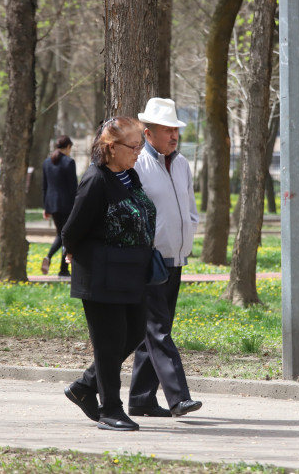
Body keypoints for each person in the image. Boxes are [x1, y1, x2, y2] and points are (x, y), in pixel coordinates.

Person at [61, 116, 155, 432]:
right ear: (112, 147)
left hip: (130, 272)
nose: (139, 152)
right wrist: (71, 250)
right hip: (101, 274)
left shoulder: (129, 176)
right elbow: (72, 229)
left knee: (136, 331)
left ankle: (85, 386)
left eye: (141, 146)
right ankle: (110, 410)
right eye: (134, 146)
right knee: (109, 343)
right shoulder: (96, 180)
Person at [128, 97, 202, 418]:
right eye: (167, 130)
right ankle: (179, 397)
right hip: (149, 261)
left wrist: (188, 236)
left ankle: (141, 399)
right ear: (148, 134)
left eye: (176, 130)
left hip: (176, 260)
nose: (174, 135)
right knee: (159, 331)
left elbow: (190, 209)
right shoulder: (138, 165)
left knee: (153, 333)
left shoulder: (182, 163)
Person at [41, 135, 78, 276]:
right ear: (68, 147)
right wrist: (77, 205)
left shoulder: (47, 163)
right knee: (66, 236)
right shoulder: (69, 162)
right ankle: (61, 267)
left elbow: (44, 187)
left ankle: (58, 264)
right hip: (67, 205)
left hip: (52, 204)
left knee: (61, 234)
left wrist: (46, 207)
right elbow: (73, 187)